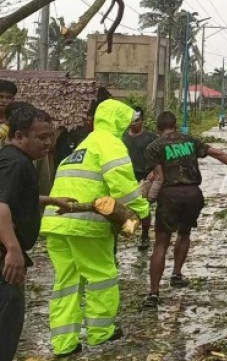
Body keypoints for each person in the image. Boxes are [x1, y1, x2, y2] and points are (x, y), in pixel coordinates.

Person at [40, 98, 151, 357]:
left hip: (57, 222)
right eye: (125, 122)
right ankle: (101, 332)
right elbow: (122, 186)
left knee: (66, 282)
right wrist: (143, 210)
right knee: (102, 276)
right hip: (85, 226)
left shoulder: (83, 145)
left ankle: (64, 344)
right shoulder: (110, 143)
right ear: (118, 121)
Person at [142, 111, 227, 308]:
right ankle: (176, 274)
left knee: (161, 242)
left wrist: (146, 199)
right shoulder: (190, 140)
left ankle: (153, 293)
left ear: (158, 129)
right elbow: (218, 153)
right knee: (184, 233)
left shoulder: (154, 146)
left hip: (170, 195)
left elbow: (159, 178)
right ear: (175, 126)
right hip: (192, 194)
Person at [0, 104, 74, 361]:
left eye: (50, 136)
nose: (48, 143)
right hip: (4, 257)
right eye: (41, 137)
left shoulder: (14, 160)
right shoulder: (15, 163)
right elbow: (1, 206)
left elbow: (19, 198)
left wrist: (51, 201)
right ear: (19, 136)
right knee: (6, 325)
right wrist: (12, 249)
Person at [122, 107, 158, 251]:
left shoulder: (151, 137)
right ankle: (127, 231)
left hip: (146, 177)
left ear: (142, 120)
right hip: (128, 177)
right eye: (131, 121)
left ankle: (144, 236)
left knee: (143, 208)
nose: (134, 124)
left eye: (137, 121)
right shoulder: (122, 138)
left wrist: (155, 171)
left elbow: (161, 154)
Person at [0, 80, 17, 147]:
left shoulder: (17, 121)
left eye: (8, 97)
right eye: (1, 97)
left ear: (13, 100)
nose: (4, 100)